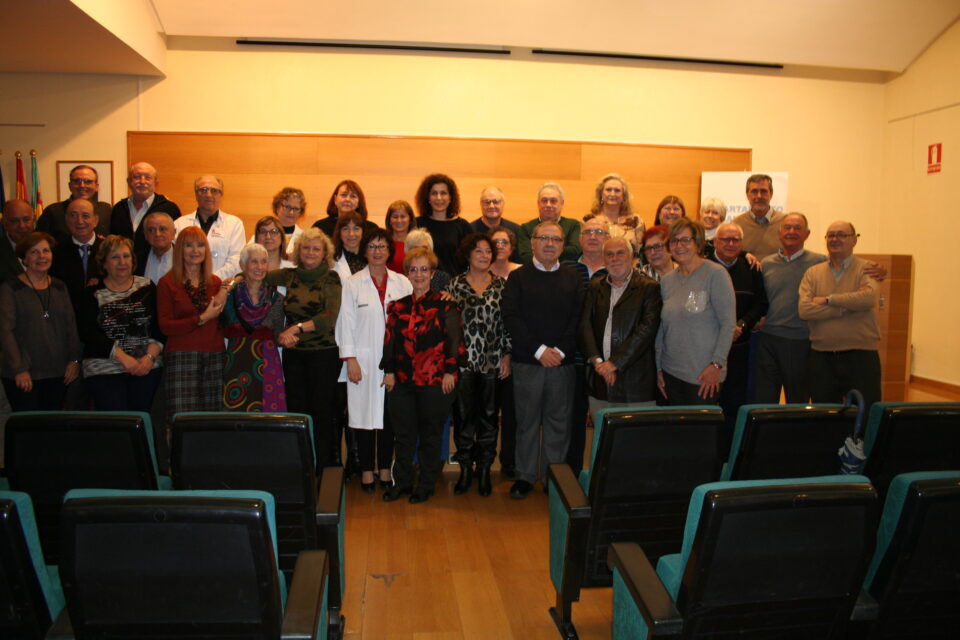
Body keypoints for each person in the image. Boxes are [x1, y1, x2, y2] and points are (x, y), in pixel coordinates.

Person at [502, 221, 584, 499]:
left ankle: (554, 478)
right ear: (533, 243)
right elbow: (512, 318)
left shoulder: (573, 279)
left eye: (556, 240)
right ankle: (524, 476)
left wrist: (559, 351)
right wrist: (539, 350)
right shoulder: (518, 277)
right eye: (544, 238)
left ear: (563, 245)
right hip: (527, 363)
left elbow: (578, 320)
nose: (550, 244)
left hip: (562, 364)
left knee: (558, 423)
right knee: (525, 422)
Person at [382, 247, 464, 504]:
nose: (419, 274)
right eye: (414, 269)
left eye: (424, 269)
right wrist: (389, 371)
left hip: (435, 381)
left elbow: (455, 342)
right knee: (403, 435)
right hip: (403, 381)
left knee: (430, 435)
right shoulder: (397, 307)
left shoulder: (447, 304)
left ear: (433, 273)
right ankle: (402, 482)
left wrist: (451, 371)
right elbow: (390, 342)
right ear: (407, 273)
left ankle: (426, 484)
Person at [336, 227, 412, 492]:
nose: (378, 251)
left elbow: (410, 326)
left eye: (382, 247)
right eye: (372, 247)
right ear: (365, 252)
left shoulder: (403, 283)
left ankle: (384, 470)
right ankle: (367, 471)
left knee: (389, 418)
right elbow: (345, 322)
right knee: (363, 418)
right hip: (363, 363)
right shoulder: (353, 283)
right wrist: (350, 359)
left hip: (395, 363)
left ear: (389, 251)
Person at [266, 227, 342, 469]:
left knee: (321, 414)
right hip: (294, 356)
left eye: (316, 249)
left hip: (324, 356)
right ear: (298, 251)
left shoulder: (331, 278)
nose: (310, 252)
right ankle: (301, 468)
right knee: (297, 412)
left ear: (324, 254)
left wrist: (295, 328)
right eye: (306, 248)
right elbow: (255, 273)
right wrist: (231, 283)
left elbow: (329, 317)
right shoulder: (288, 275)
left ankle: (323, 469)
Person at [446, 234, 510, 497]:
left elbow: (507, 325)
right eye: (479, 251)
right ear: (468, 255)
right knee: (463, 420)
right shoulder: (455, 286)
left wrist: (507, 355)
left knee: (489, 419)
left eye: (488, 252)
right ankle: (465, 470)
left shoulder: (501, 286)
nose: (484, 256)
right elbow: (449, 330)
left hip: (492, 363)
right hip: (463, 365)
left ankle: (484, 470)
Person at [798, 221, 882, 410]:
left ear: (854, 240)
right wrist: (846, 308)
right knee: (824, 413)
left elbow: (868, 299)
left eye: (842, 235)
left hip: (860, 355)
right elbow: (805, 310)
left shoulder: (868, 268)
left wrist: (828, 299)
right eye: (831, 235)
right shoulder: (813, 273)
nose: (835, 239)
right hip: (822, 356)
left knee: (866, 411)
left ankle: (861, 442)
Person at [77, 235, 163, 411]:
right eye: (115, 257)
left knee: (141, 419)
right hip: (104, 368)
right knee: (116, 424)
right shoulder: (93, 292)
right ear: (104, 263)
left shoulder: (147, 286)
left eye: (126, 256)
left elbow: (159, 327)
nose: (122, 262)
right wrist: (124, 359)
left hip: (146, 366)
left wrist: (149, 358)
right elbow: (88, 333)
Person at [655, 219, 736, 405]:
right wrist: (658, 368)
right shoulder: (667, 281)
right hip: (670, 373)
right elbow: (662, 327)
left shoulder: (716, 274)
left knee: (701, 433)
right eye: (674, 241)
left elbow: (728, 324)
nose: (679, 246)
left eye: (686, 240)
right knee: (675, 432)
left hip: (703, 375)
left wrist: (717, 365)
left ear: (698, 244)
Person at [579, 236, 662, 417]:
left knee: (636, 441)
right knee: (603, 439)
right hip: (600, 380)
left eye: (620, 253)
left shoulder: (649, 288)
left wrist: (614, 363)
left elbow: (646, 331)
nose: (614, 259)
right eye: (609, 254)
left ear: (632, 257)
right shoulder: (595, 286)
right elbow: (584, 325)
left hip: (636, 386)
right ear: (604, 259)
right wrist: (599, 363)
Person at [0, 232, 81, 410]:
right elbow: (5, 331)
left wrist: (74, 360)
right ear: (24, 258)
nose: (41, 256)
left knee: (50, 429)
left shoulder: (60, 286)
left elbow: (70, 325)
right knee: (27, 430)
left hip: (58, 371)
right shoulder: (11, 288)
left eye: (46, 251)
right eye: (34, 252)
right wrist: (19, 369)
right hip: (24, 373)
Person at [157, 226, 228, 421]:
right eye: (189, 245)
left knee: (213, 419)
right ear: (179, 249)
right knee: (183, 418)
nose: (195, 251)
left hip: (214, 355)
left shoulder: (215, 282)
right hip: (182, 356)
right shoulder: (167, 283)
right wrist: (201, 319)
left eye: (200, 245)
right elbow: (165, 326)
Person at [708, 222, 768, 438]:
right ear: (715, 242)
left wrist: (742, 324)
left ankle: (728, 454)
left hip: (740, 348)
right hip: (708, 350)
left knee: (734, 402)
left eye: (735, 240)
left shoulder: (751, 268)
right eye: (725, 239)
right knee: (708, 400)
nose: (730, 244)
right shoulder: (703, 267)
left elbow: (761, 304)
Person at [562, 216, 610, 477]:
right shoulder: (567, 268)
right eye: (588, 232)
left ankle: (601, 476)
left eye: (600, 232)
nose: (593, 236)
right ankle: (570, 476)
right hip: (571, 359)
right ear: (579, 239)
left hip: (605, 362)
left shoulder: (616, 270)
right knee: (572, 421)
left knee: (604, 421)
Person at [221, 243, 287, 412]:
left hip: (267, 361)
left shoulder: (276, 297)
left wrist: (289, 337)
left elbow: (278, 334)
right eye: (254, 262)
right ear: (242, 265)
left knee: (269, 412)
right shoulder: (229, 295)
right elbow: (223, 328)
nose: (259, 267)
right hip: (237, 359)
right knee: (236, 409)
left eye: (263, 262)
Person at [487, 224, 522, 478]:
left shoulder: (521, 273)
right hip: (485, 353)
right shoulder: (478, 273)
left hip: (516, 351)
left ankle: (509, 462)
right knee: (486, 412)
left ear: (512, 248)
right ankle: (483, 464)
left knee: (511, 413)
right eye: (495, 242)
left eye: (504, 242)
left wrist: (508, 352)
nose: (500, 246)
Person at [109, 162, 181, 269]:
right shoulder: (119, 209)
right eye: (137, 177)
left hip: (158, 269)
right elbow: (112, 243)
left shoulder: (169, 208)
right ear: (129, 182)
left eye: (148, 178)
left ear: (156, 183)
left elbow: (177, 243)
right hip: (123, 271)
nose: (142, 182)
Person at [173, 175, 245, 280]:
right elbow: (175, 259)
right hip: (186, 287)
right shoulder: (180, 224)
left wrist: (212, 281)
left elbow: (236, 260)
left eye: (214, 191)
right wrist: (193, 282)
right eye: (203, 190)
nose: (208, 195)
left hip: (221, 288)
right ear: (196, 195)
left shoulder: (234, 224)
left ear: (221, 195)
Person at [50, 198, 103, 319]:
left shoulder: (109, 250)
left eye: (85, 216)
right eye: (73, 215)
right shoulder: (56, 253)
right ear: (66, 220)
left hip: (104, 322)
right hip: (68, 320)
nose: (79, 221)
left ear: (95, 220)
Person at [414, 173, 473, 277]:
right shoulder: (417, 224)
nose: (439, 198)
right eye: (434, 193)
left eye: (443, 193)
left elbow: (470, 261)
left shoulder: (463, 226)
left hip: (454, 287)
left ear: (450, 198)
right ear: (428, 198)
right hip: (423, 284)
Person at [37, 164, 112, 241]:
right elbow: (39, 242)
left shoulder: (106, 210)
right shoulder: (53, 211)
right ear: (70, 185)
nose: (82, 185)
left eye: (88, 181)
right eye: (77, 181)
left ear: (96, 186)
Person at [517, 183, 581, 263]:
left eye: (553, 201)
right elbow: (525, 256)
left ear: (562, 203)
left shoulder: (573, 226)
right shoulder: (526, 228)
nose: (548, 204)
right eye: (544, 201)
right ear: (538, 203)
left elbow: (574, 251)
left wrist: (541, 251)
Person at [584, 173, 644, 253]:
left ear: (623, 196)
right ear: (601, 194)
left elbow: (641, 251)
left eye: (617, 190)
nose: (612, 194)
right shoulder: (589, 220)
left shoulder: (635, 221)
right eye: (608, 190)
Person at [734, 174, 785, 259]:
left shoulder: (784, 223)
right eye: (754, 191)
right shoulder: (737, 224)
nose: (759, 196)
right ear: (747, 195)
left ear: (771, 194)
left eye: (763, 191)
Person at [471, 187, 521, 262]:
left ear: (503, 204)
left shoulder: (516, 230)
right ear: (481, 204)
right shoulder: (469, 230)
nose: (491, 206)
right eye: (487, 202)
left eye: (496, 202)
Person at [313, 179, 378, 238]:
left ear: (359, 202)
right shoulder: (320, 227)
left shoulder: (371, 229)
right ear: (335, 199)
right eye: (344, 195)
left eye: (353, 196)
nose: (347, 199)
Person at [260, 187, 306, 253]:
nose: (291, 212)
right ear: (277, 207)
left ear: (300, 213)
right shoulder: (262, 233)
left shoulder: (304, 238)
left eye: (296, 208)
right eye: (287, 207)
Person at [1, 199, 36, 282]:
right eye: (15, 221)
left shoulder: (46, 249)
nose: (22, 226)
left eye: (26, 219)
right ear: (5, 223)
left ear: (33, 220)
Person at [139, 211, 176, 283]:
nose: (157, 234)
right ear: (145, 235)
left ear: (173, 233)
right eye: (151, 230)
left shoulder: (184, 259)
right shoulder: (137, 260)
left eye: (162, 229)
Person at [332, 210, 367, 283]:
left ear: (363, 231)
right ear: (339, 232)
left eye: (356, 228)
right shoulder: (331, 259)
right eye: (346, 229)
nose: (351, 234)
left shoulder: (371, 257)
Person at [385, 200, 416, 274]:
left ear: (410, 219)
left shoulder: (416, 243)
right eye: (395, 217)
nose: (399, 220)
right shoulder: (383, 243)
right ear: (389, 220)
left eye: (403, 216)